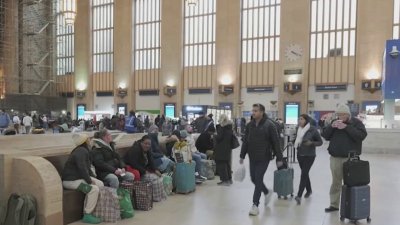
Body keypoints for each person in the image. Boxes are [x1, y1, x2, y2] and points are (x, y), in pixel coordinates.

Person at [321, 103, 367, 212]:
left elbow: (361, 136)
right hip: (335, 157)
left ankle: (351, 204)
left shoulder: (356, 123)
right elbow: (325, 136)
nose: (340, 117)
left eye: (342, 115)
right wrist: (331, 127)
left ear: (348, 115)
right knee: (336, 182)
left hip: (350, 159)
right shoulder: (334, 122)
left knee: (351, 182)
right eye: (338, 115)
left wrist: (347, 127)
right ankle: (334, 204)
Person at [239, 103, 283, 216]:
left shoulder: (270, 125)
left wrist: (279, 158)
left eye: (256, 111)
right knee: (253, 179)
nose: (253, 113)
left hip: (264, 157)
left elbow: (276, 142)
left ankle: (255, 205)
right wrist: (242, 156)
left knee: (258, 178)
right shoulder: (250, 125)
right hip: (252, 156)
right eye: (252, 110)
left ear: (262, 112)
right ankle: (266, 192)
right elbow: (245, 141)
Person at [62, 133, 103, 224]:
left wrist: (93, 178)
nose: (90, 140)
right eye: (88, 139)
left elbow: (87, 168)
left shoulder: (83, 150)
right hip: (70, 181)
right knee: (94, 189)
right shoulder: (81, 151)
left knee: (100, 184)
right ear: (85, 141)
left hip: (78, 178)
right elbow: (82, 168)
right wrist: (89, 181)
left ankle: (94, 209)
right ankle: (87, 214)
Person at [293, 114, 323, 205]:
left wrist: (312, 143)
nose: (299, 121)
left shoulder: (312, 130)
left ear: (306, 120)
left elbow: (320, 142)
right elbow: (297, 139)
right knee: (305, 173)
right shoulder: (298, 129)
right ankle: (309, 190)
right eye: (299, 119)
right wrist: (292, 142)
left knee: (304, 174)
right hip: (300, 154)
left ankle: (299, 195)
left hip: (309, 155)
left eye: (301, 119)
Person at [214, 114, 234, 186]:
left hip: (221, 149)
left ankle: (225, 180)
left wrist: (215, 135)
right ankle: (229, 179)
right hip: (227, 148)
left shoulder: (222, 128)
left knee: (221, 164)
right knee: (227, 164)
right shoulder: (229, 127)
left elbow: (219, 137)